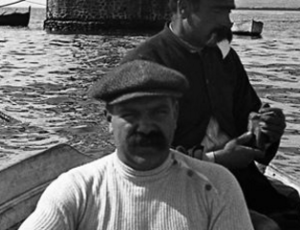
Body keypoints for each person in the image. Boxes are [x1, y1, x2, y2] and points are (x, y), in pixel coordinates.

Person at [121, 0, 300, 230]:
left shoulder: (223, 57)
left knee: (290, 216)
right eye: (218, 10)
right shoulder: (144, 63)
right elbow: (139, 157)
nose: (227, 21)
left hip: (236, 181)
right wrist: (219, 159)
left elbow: (249, 121)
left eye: (229, 10)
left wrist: (266, 130)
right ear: (184, 9)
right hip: (175, 191)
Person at [19, 59, 253, 230]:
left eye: (158, 112)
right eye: (131, 115)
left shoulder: (216, 186)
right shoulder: (77, 190)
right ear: (108, 119)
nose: (146, 127)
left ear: (175, 115)